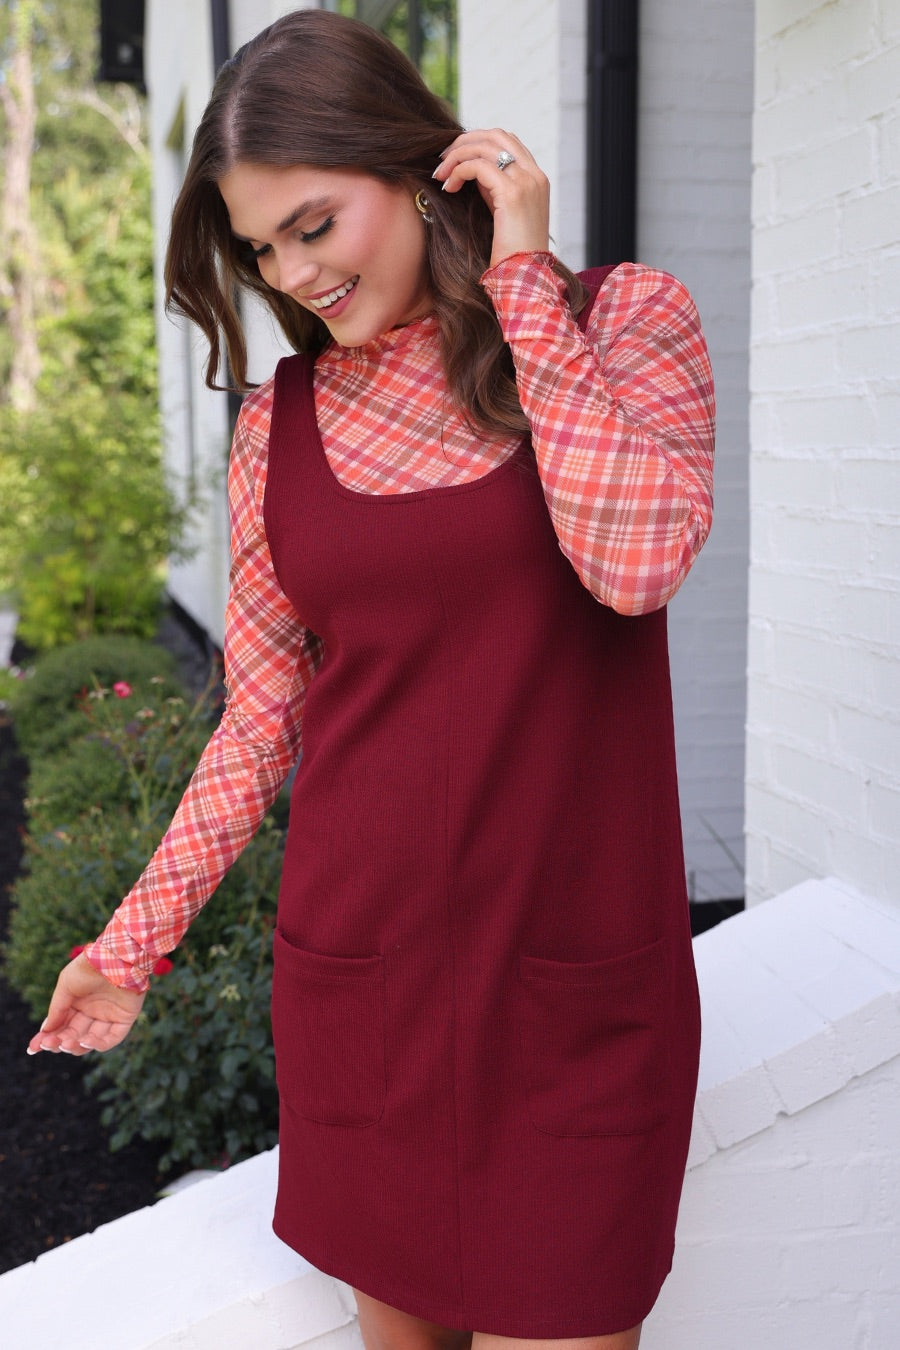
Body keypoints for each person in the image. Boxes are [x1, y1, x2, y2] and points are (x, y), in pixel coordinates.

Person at [28, 10, 715, 1350]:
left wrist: (524, 281)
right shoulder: (276, 431)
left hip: (576, 999)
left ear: (417, 166)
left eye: (313, 225)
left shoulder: (623, 319)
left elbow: (636, 564)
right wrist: (132, 940)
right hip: (369, 991)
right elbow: (259, 719)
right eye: (260, 248)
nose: (294, 274)